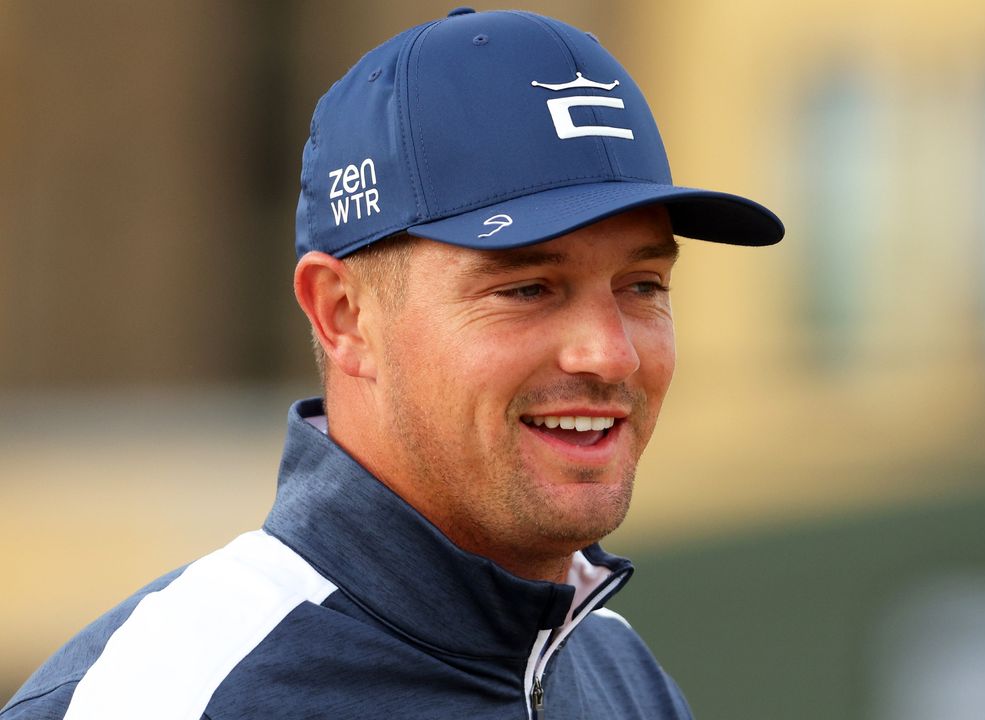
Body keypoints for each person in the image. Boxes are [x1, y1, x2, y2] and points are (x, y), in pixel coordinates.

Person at [1, 8, 782, 719]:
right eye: (529, 287)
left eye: (642, 285)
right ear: (344, 316)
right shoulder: (165, 697)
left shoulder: (618, 671)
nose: (609, 352)